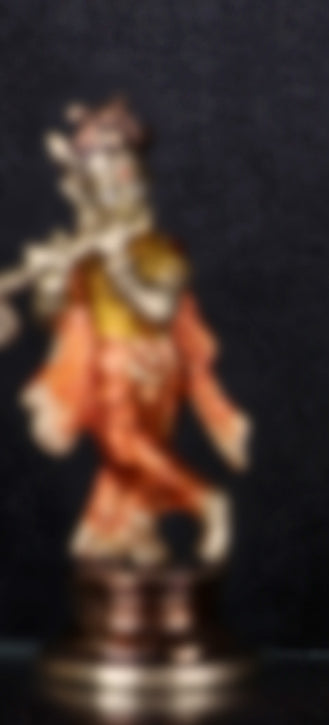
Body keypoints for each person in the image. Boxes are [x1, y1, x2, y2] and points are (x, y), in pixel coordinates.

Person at [4, 98, 248, 565]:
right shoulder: (87, 248)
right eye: (100, 183)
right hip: (105, 361)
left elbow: (158, 308)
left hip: (148, 362)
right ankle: (139, 537)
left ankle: (206, 502)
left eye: (120, 177)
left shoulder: (158, 250)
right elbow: (53, 316)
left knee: (125, 446)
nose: (112, 191)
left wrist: (119, 264)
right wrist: (49, 282)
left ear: (139, 180)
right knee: (125, 468)